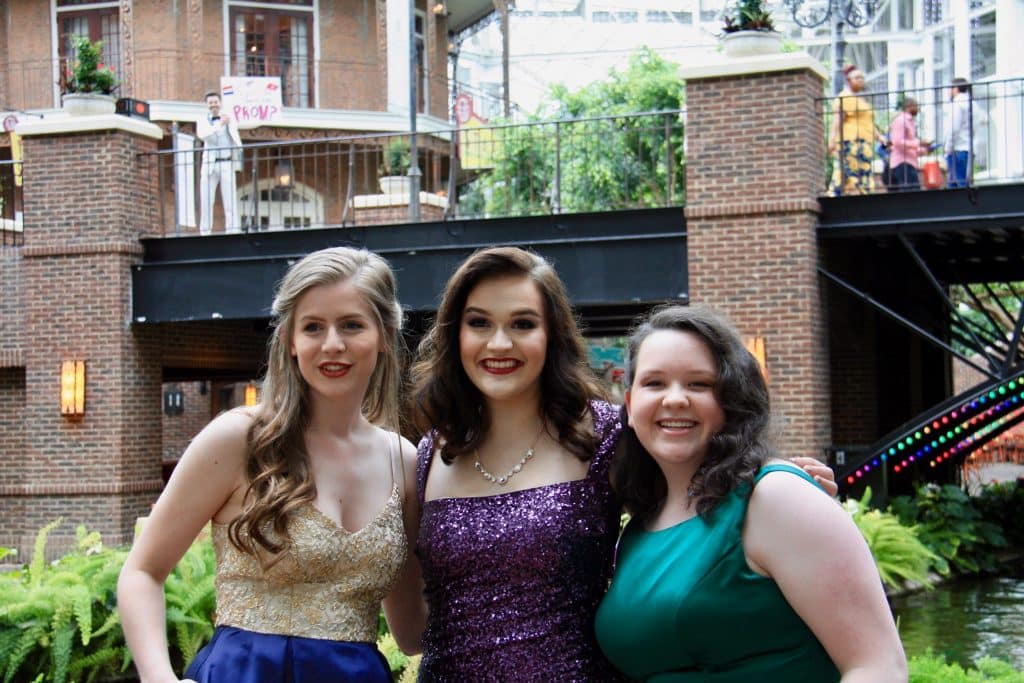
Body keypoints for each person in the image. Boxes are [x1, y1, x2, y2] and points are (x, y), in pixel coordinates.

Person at [407, 246, 837, 681]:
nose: (499, 343)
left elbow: (708, 465)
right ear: (454, 334)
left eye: (523, 323)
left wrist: (778, 477)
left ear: (551, 334)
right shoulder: (431, 453)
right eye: (479, 322)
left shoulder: (608, 433)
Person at [118, 247, 424, 682]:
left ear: (384, 334)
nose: (332, 344)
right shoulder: (240, 440)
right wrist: (159, 679)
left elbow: (411, 631)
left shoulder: (404, 461)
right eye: (313, 327)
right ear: (290, 341)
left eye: (352, 325)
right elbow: (142, 572)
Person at [595, 305, 908, 682]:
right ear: (629, 406)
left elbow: (877, 666)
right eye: (654, 383)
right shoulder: (640, 527)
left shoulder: (775, 498)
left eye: (699, 384)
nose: (675, 399)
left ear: (731, 400)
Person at [828, 65, 889, 196]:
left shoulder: (861, 101)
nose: (861, 80)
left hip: (864, 143)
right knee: (848, 173)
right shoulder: (844, 98)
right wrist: (832, 140)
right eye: (857, 78)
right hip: (850, 142)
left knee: (863, 174)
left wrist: (880, 137)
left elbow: (868, 123)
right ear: (848, 80)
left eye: (862, 77)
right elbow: (838, 120)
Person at [197, 91, 242, 234]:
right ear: (207, 105)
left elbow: (236, 136)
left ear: (220, 103)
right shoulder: (202, 120)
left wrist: (228, 122)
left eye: (215, 102)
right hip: (209, 164)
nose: (213, 105)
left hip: (226, 163)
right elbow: (203, 135)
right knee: (206, 199)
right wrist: (219, 124)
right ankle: (205, 231)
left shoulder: (229, 119)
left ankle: (232, 230)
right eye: (210, 103)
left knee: (230, 200)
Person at [887, 97, 930, 191]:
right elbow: (897, 142)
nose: (918, 109)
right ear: (908, 106)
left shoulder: (910, 121)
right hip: (902, 163)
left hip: (909, 162)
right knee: (909, 193)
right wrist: (919, 142)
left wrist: (923, 150)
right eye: (916, 106)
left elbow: (909, 144)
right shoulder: (901, 120)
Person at [945, 77, 972, 189]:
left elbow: (954, 128)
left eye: (949, 88)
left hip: (958, 149)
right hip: (967, 147)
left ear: (955, 89)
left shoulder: (957, 104)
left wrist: (948, 147)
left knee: (959, 184)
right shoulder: (970, 102)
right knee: (957, 181)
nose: (948, 92)